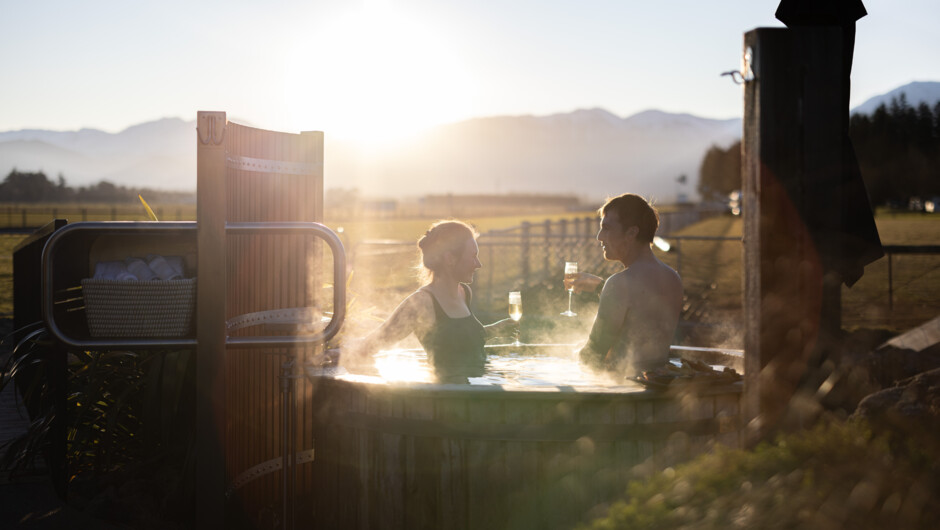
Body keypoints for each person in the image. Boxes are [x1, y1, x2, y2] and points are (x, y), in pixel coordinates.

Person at [345, 220, 515, 383]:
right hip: (448, 396)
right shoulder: (421, 303)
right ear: (450, 259)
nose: (478, 264)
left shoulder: (464, 293)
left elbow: (459, 338)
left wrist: (494, 330)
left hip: (478, 383)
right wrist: (342, 353)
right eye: (473, 256)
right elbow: (376, 342)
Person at [565, 194, 683, 377]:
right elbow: (639, 314)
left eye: (606, 228)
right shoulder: (672, 278)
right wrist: (600, 287)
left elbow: (593, 355)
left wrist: (570, 356)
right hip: (656, 385)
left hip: (621, 389)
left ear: (631, 233)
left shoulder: (619, 284)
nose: (599, 237)